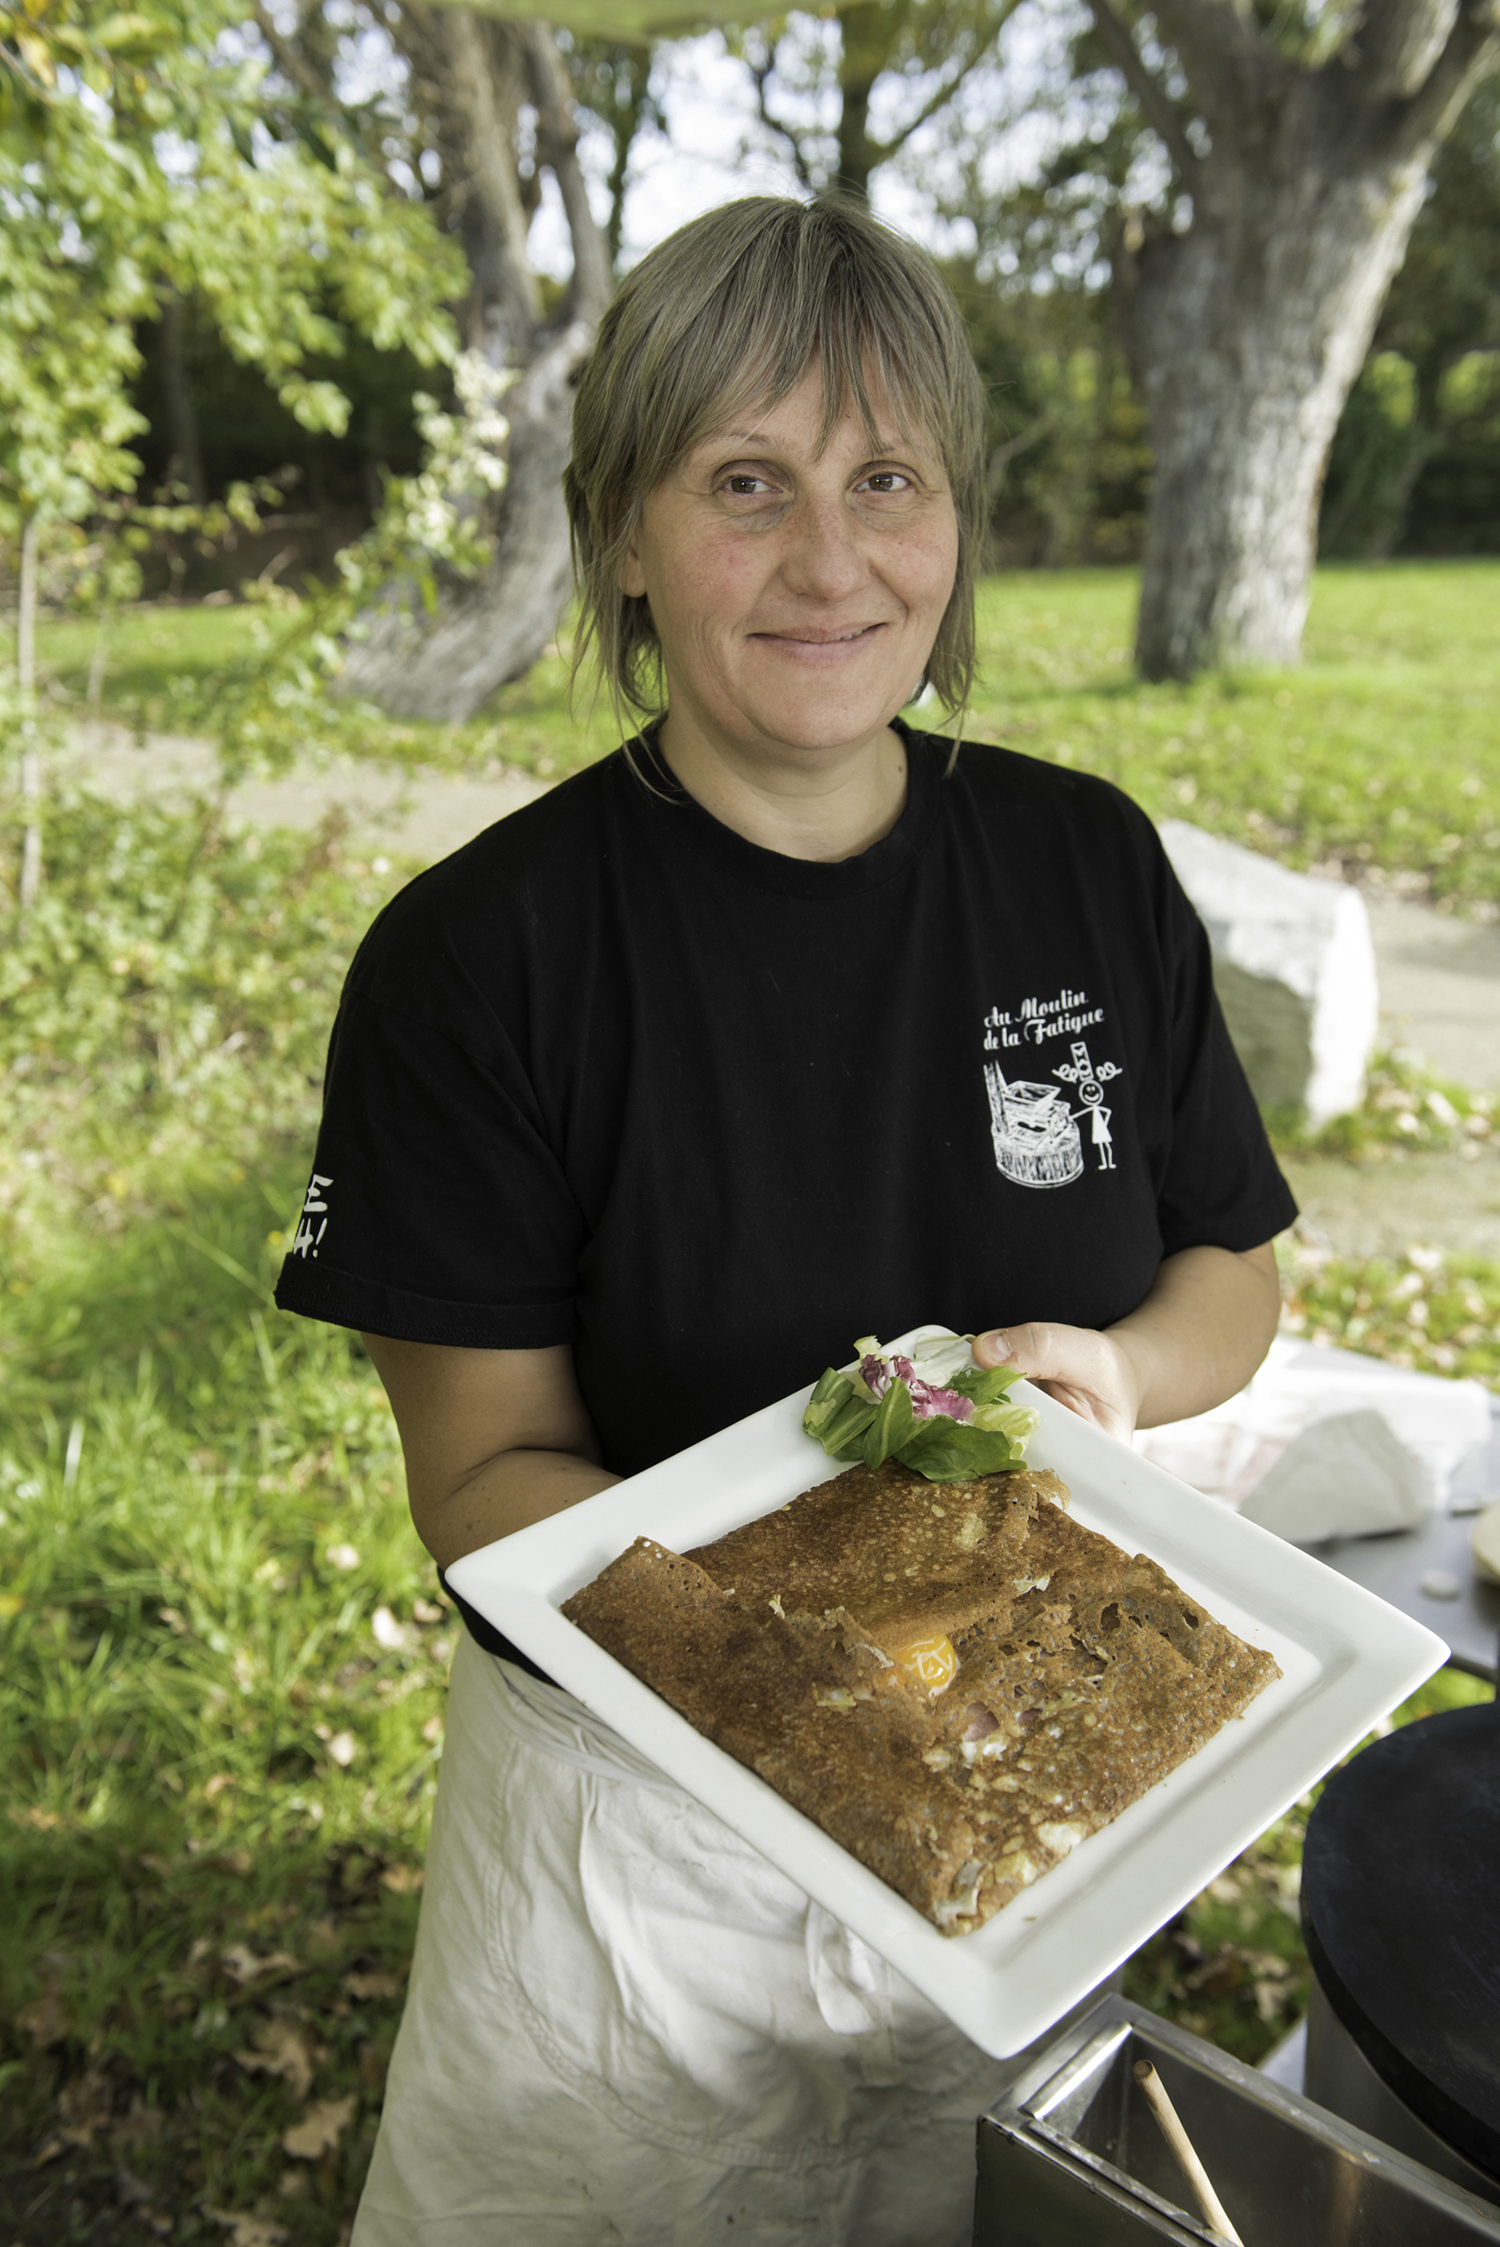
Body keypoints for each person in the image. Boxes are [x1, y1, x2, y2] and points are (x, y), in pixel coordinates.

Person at [275, 194, 1294, 2245]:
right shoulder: (483, 958)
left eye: (885, 477)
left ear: (956, 529)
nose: (832, 559)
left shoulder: (1082, 865)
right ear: (626, 537)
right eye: (746, 481)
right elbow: (483, 1475)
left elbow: (1231, 1270)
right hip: (633, 1855)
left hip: (1028, 1759)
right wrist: (796, 1663)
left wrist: (1116, 1366)